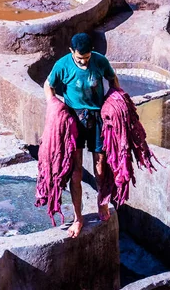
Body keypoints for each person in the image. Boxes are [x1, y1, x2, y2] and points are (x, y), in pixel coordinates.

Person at [43, 33, 119, 238]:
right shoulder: (62, 65)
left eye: (86, 58)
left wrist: (118, 102)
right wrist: (53, 106)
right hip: (74, 119)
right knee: (75, 172)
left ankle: (102, 203)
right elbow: (48, 85)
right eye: (79, 59)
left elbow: (113, 79)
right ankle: (78, 218)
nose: (84, 62)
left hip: (97, 118)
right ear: (71, 52)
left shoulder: (100, 61)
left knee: (101, 168)